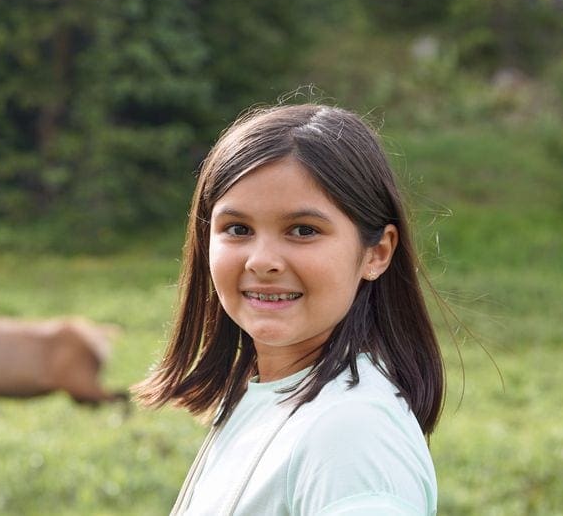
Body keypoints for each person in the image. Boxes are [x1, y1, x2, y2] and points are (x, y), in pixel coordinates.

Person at [133, 104, 445, 515]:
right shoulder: (264, 392)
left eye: (303, 230)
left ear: (377, 252)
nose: (262, 261)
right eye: (238, 229)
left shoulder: (352, 433)